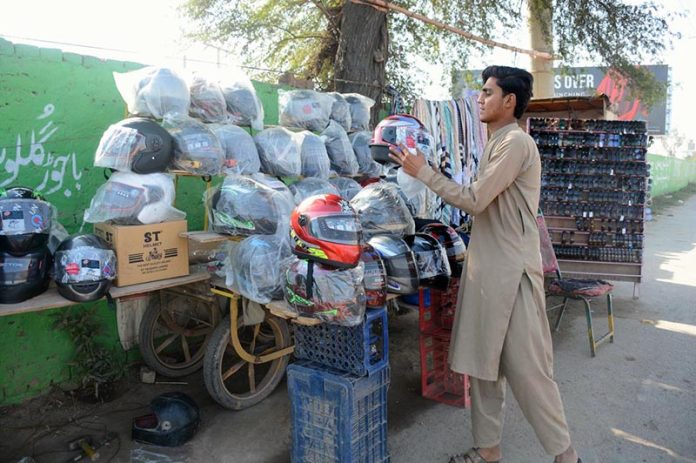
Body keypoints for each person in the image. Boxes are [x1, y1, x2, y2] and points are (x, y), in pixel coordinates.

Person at [389, 65, 580, 463]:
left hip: (513, 277)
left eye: (489, 92)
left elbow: (475, 200)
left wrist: (422, 172)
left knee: (530, 373)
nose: (480, 98)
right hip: (488, 272)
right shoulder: (496, 142)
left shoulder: (515, 144)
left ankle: (567, 457)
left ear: (509, 102)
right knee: (483, 367)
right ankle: (487, 450)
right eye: (482, 92)